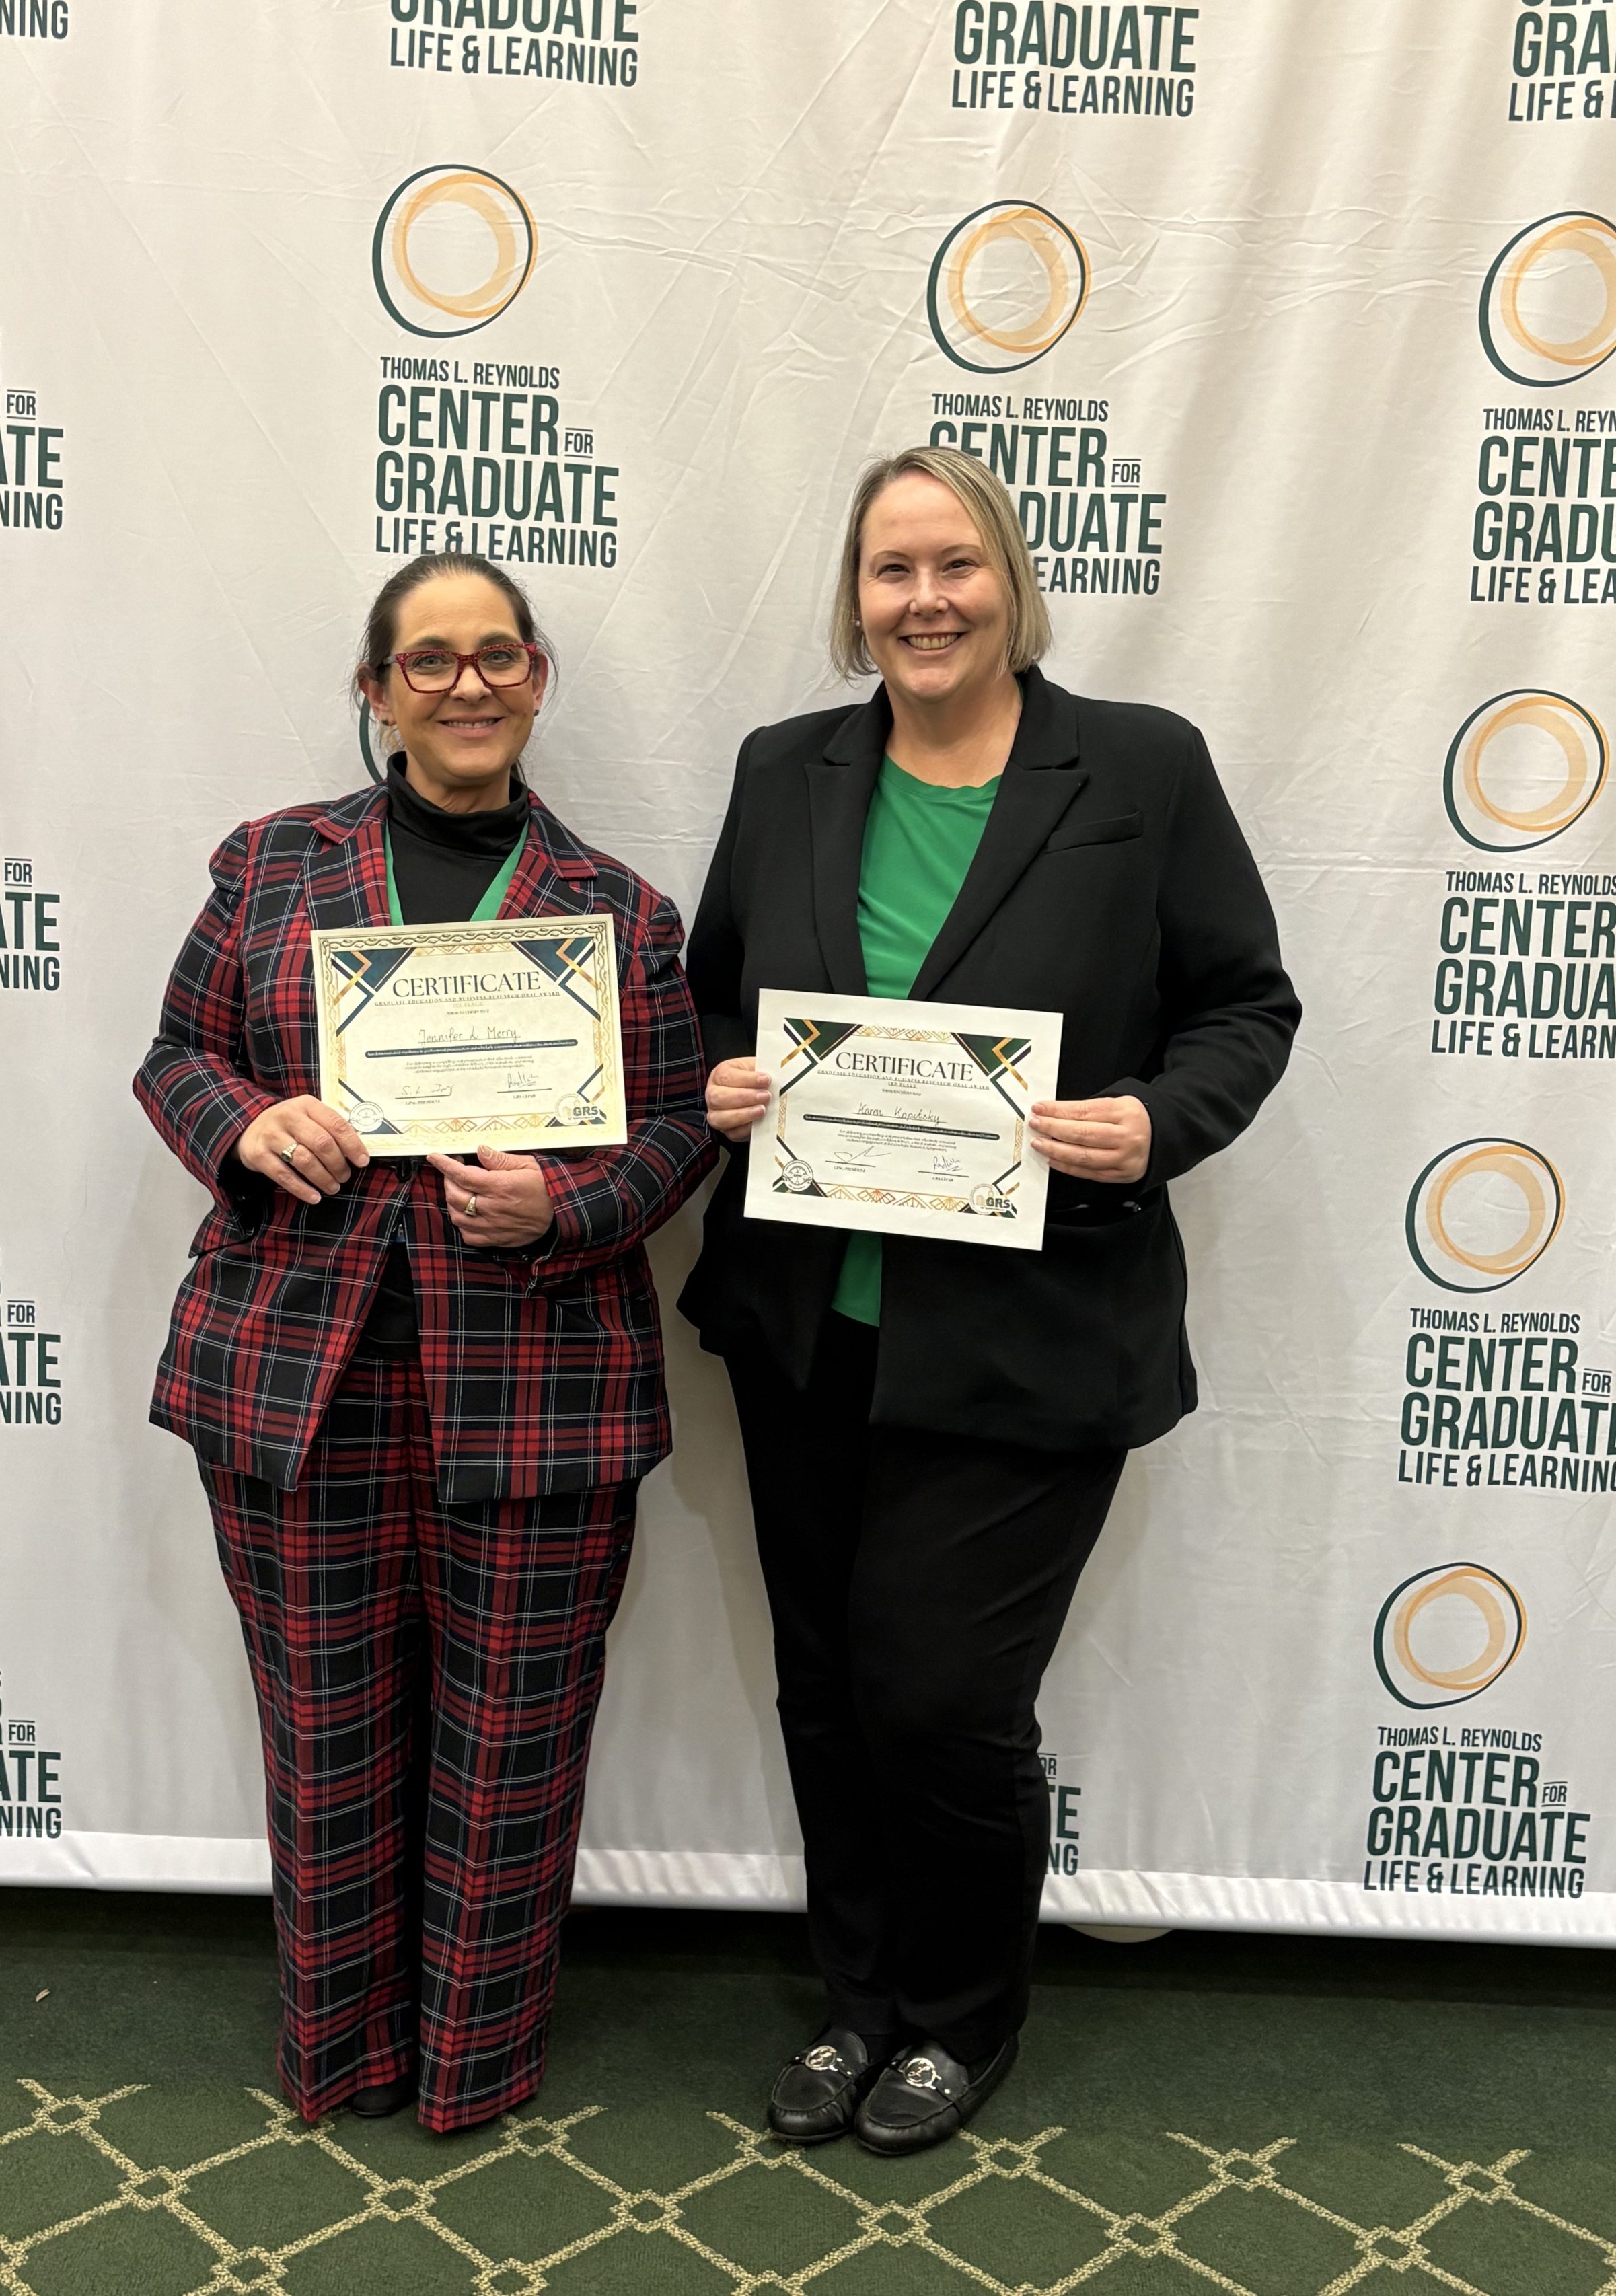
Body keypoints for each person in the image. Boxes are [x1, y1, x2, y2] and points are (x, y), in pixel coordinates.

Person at [681, 445, 1300, 2155]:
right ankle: (856, 2001)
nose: (924, 599)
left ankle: (959, 2016)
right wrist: (720, 1080)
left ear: (1010, 583)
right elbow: (711, 995)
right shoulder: (784, 769)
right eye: (890, 570)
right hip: (808, 1321)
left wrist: (1154, 1123)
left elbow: (1244, 1007)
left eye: (954, 564)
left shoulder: (1139, 768)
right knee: (825, 1684)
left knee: (939, 1699)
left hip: (1034, 1334)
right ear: (853, 598)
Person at [135, 552, 714, 2135]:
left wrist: (566, 1208)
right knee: (324, 1738)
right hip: (298, 1380)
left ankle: (471, 2065)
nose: (468, 684)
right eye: (430, 659)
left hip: (538, 1381)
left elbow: (677, 1127)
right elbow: (178, 1053)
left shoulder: (620, 911)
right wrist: (246, 1126)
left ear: (537, 678)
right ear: (376, 690)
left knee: (512, 1749)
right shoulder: (271, 863)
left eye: (498, 656)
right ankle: (342, 2054)